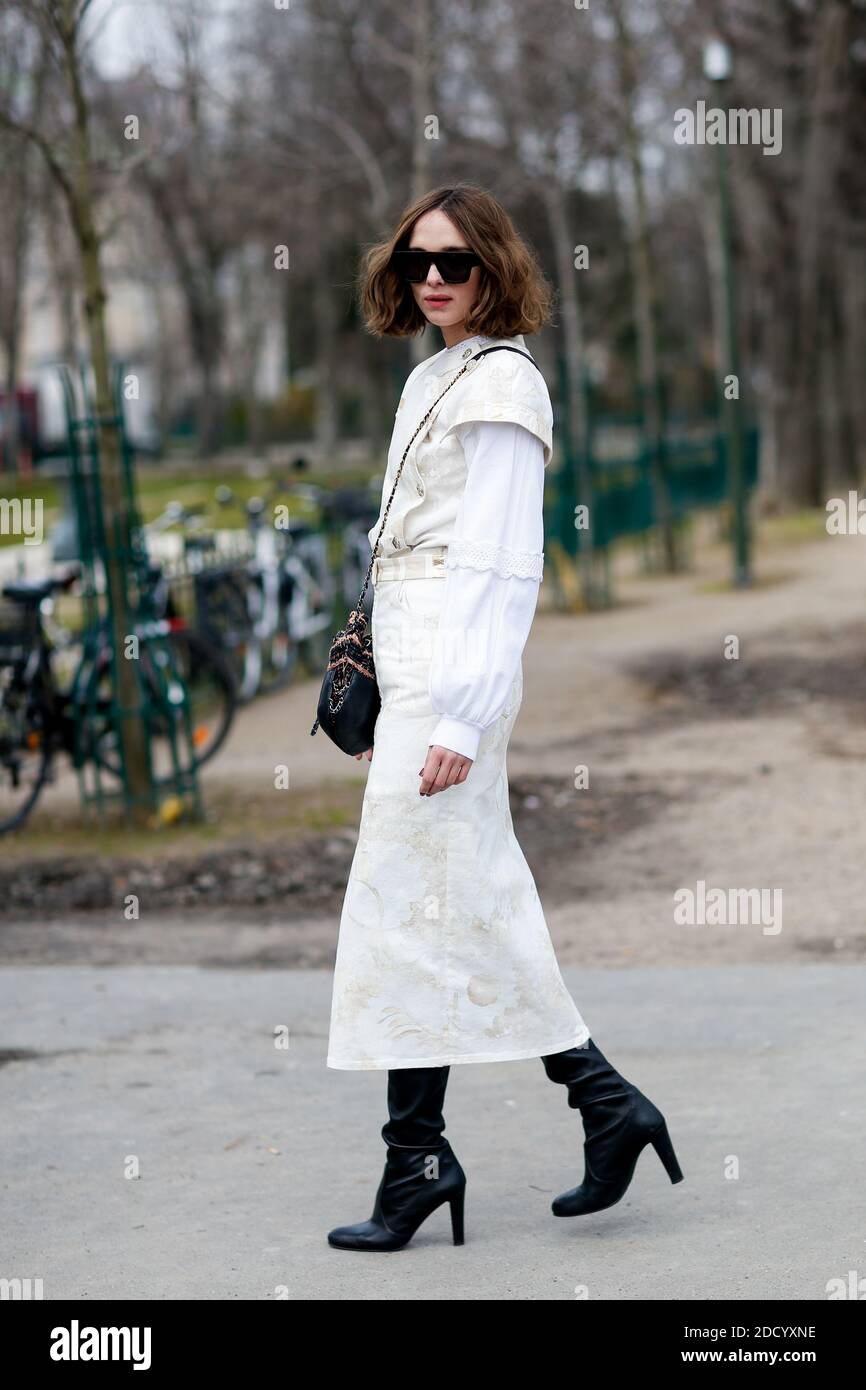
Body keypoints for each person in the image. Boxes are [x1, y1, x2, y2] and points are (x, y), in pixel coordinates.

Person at [325, 184, 683, 1252]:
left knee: (423, 902)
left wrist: (461, 717)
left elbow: (498, 563)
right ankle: (557, 1118)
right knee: (440, 903)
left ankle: (440, 1154)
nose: (432, 278)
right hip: (420, 659)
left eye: (454, 262)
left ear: (493, 269)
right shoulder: (436, 374)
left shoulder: (503, 386)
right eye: (416, 263)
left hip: (452, 674)